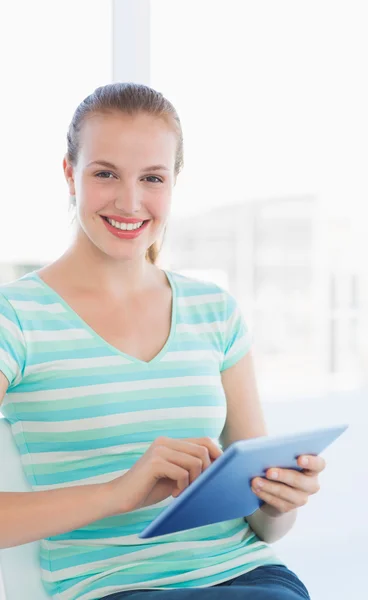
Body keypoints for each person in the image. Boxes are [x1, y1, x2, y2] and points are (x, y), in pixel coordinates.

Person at [0, 82, 325, 600]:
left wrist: (277, 502)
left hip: (248, 576)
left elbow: (264, 529)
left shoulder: (214, 311)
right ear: (69, 174)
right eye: (105, 173)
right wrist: (117, 494)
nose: (129, 202)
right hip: (112, 588)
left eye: (152, 178)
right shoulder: (14, 317)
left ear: (173, 182)